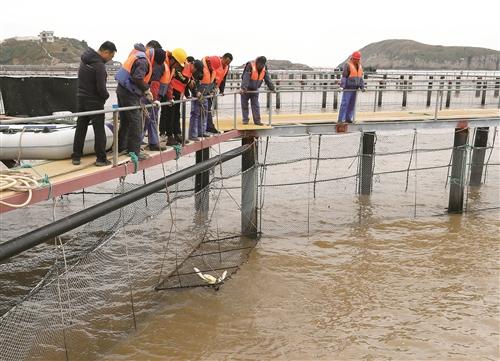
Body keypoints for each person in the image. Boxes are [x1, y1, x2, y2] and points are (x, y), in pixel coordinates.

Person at [71, 41, 116, 166]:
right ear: (106, 52)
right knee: (99, 130)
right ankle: (101, 159)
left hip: (81, 98)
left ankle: (76, 156)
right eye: (111, 56)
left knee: (81, 127)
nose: (110, 60)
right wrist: (106, 96)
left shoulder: (84, 60)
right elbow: (101, 88)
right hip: (94, 101)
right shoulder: (99, 65)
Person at [115, 43, 155, 160]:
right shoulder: (143, 61)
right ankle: (134, 151)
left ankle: (122, 147)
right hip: (129, 93)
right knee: (136, 122)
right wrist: (146, 90)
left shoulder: (136, 56)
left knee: (125, 121)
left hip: (121, 89)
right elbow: (138, 77)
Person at [188, 55, 221, 141]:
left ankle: (201, 131)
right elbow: (194, 82)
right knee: (195, 114)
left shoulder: (211, 70)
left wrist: (214, 89)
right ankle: (193, 134)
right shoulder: (199, 66)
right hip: (197, 95)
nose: (211, 68)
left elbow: (213, 81)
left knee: (204, 114)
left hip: (206, 95)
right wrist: (196, 93)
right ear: (209, 62)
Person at [160, 48, 189, 146]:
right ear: (173, 60)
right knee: (167, 114)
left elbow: (170, 81)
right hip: (161, 92)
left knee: (175, 113)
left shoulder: (171, 66)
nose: (178, 67)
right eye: (177, 64)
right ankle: (167, 135)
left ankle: (175, 133)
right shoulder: (163, 64)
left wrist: (170, 94)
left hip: (170, 92)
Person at [144, 47, 168, 151]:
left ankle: (150, 142)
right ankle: (152, 143)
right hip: (150, 97)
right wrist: (154, 100)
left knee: (147, 120)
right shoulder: (159, 66)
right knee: (149, 120)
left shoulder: (152, 64)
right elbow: (154, 83)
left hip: (148, 95)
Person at [240, 56, 275, 125]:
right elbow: (245, 77)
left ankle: (257, 121)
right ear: (257, 62)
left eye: (262, 64)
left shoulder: (264, 68)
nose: (261, 66)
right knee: (244, 105)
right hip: (246, 90)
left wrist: (272, 88)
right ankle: (245, 120)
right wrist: (243, 88)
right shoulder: (250, 65)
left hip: (255, 90)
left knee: (256, 105)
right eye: (260, 64)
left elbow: (267, 79)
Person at [206, 53, 233, 134]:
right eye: (226, 62)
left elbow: (223, 78)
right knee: (205, 108)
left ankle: (208, 126)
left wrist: (222, 90)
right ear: (223, 58)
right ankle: (208, 127)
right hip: (208, 86)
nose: (227, 64)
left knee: (208, 107)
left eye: (229, 63)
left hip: (214, 88)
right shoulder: (216, 63)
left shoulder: (226, 67)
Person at [338, 51, 365, 123]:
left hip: (355, 89)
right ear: (352, 58)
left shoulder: (359, 66)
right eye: (356, 59)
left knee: (351, 105)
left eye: (358, 59)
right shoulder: (347, 65)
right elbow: (344, 77)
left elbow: (360, 78)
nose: (357, 60)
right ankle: (341, 119)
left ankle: (348, 118)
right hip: (348, 88)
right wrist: (342, 86)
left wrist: (362, 87)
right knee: (345, 103)